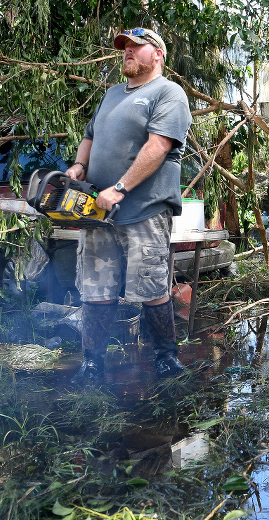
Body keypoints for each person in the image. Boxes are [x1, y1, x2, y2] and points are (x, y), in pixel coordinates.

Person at [66, 27, 192, 384]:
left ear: (158, 54)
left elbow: (159, 146)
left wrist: (120, 188)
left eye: (137, 47)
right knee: (96, 291)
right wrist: (78, 167)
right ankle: (92, 364)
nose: (128, 52)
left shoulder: (168, 93)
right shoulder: (111, 95)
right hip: (99, 213)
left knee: (150, 289)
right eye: (125, 48)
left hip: (145, 211)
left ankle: (167, 360)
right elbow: (90, 137)